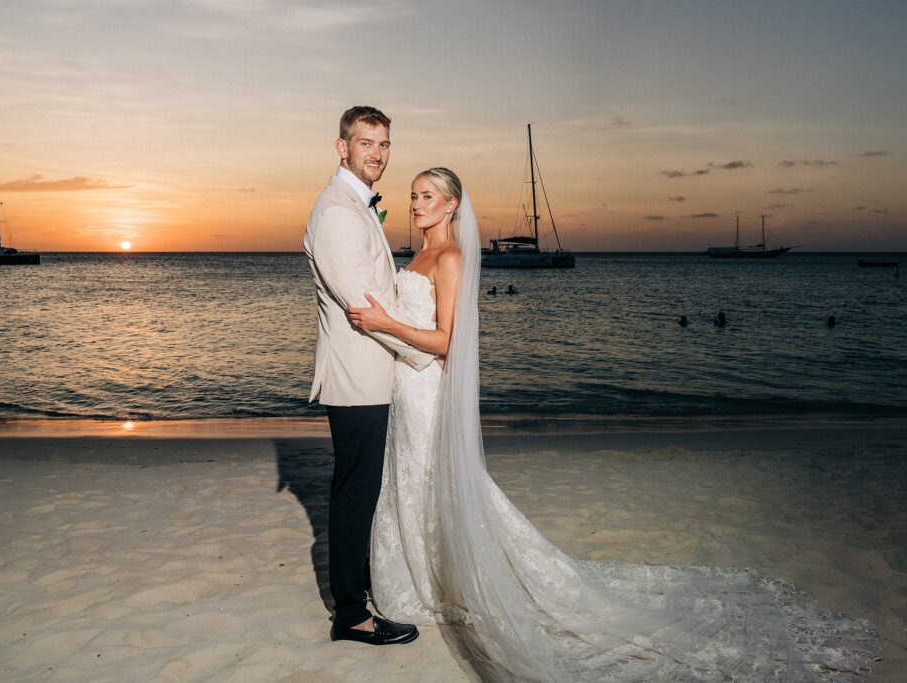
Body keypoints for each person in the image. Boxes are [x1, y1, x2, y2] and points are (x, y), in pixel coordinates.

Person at [348, 168, 880, 680]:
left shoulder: (451, 258)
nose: (416, 204)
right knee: (414, 482)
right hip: (405, 388)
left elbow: (448, 341)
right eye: (413, 195)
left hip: (428, 391)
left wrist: (386, 323)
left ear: (451, 205)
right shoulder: (418, 254)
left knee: (434, 481)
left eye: (427, 196)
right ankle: (422, 577)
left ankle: (447, 582)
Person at [304, 106, 432, 646]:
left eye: (384, 144)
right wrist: (424, 354)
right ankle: (352, 615)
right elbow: (365, 307)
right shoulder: (337, 212)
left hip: (371, 372)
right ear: (342, 147)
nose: (377, 154)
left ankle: (361, 588)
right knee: (356, 494)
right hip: (357, 377)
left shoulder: (356, 205)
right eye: (365, 143)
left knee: (363, 490)